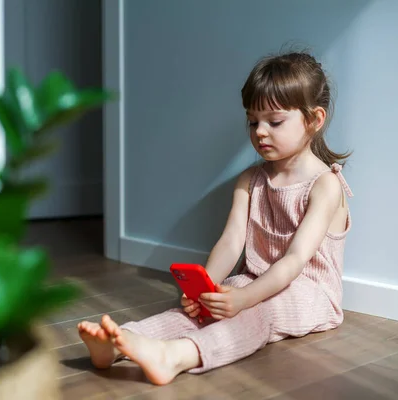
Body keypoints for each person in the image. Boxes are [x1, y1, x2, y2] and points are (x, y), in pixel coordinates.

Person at [77, 50, 354, 385]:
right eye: (253, 121)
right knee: (210, 305)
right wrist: (206, 287)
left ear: (314, 119)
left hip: (309, 294)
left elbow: (295, 260)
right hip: (255, 279)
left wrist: (246, 299)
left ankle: (176, 356)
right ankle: (119, 341)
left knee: (257, 312)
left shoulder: (324, 185)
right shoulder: (249, 180)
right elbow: (231, 241)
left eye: (274, 122)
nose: (260, 132)